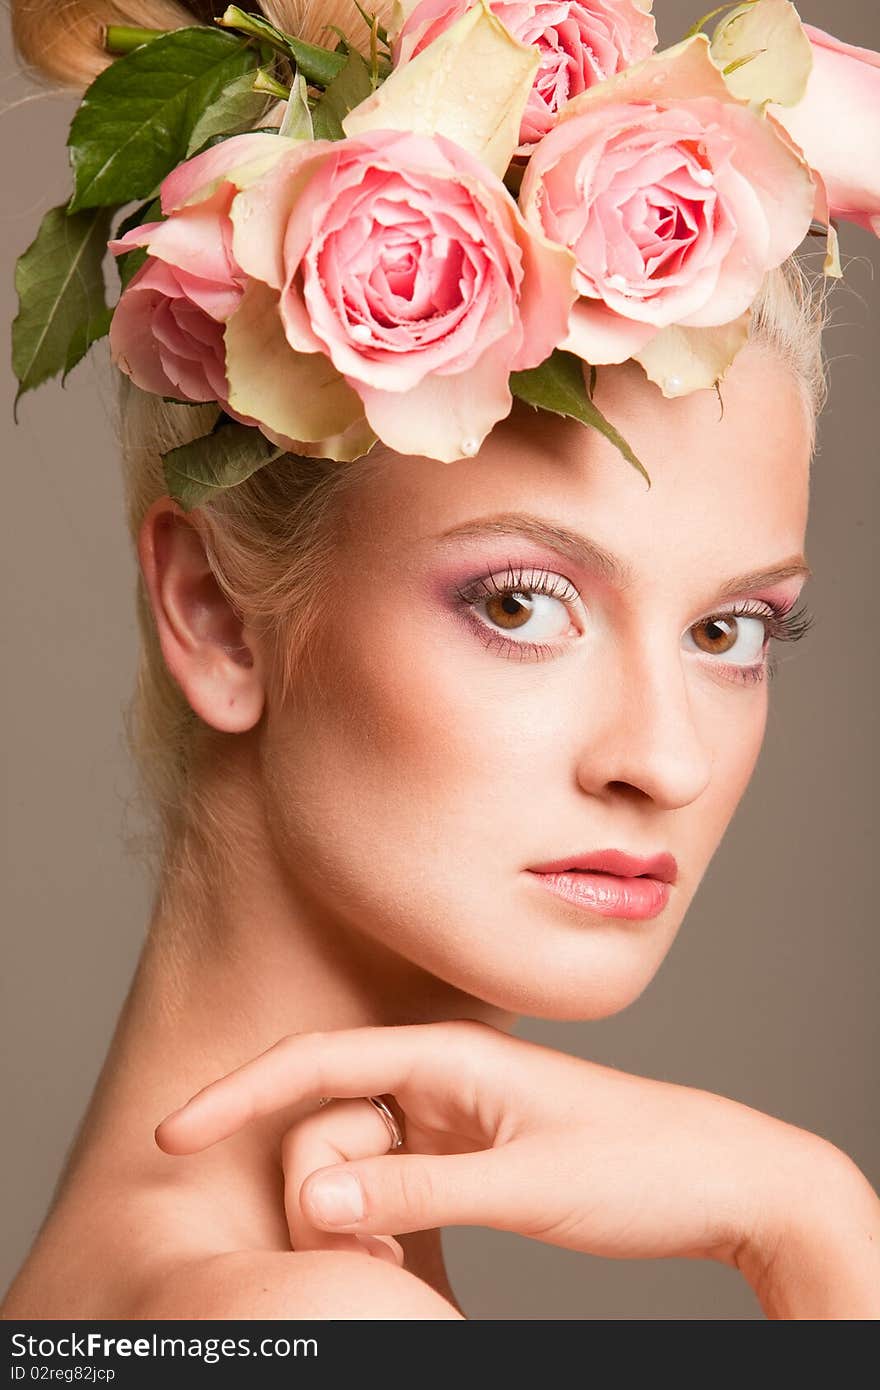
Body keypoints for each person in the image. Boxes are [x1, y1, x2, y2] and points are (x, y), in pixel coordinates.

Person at [2, 0, 879, 1321]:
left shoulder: (200, 1281)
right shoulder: (320, 1318)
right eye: (523, 604)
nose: (665, 757)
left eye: (730, 631)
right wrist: (819, 1235)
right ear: (215, 613)